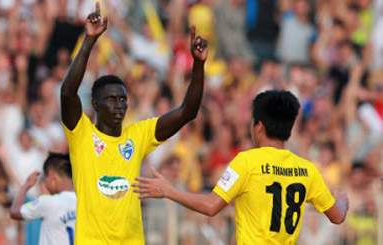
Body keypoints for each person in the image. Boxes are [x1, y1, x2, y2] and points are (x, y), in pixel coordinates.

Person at [60, 2, 207, 244]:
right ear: (95, 104)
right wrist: (89, 40)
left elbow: (187, 112)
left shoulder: (137, 135)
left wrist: (198, 65)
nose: (120, 105)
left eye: (123, 99)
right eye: (111, 99)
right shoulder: (81, 134)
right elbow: (67, 93)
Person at [133, 90, 349, 244]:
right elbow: (337, 216)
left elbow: (211, 205)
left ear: (259, 127)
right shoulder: (307, 170)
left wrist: (168, 191)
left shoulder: (246, 162)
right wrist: (341, 199)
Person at [10, 153, 76, 245]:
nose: (45, 183)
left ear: (52, 175)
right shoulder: (83, 202)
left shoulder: (48, 202)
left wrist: (26, 186)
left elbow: (14, 212)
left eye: (45, 179)